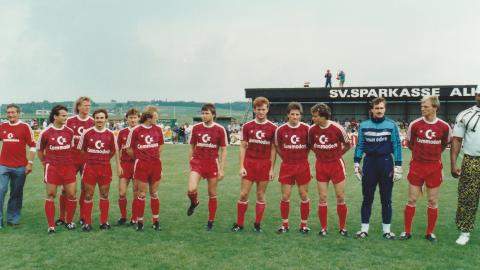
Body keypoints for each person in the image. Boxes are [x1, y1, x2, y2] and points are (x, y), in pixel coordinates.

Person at [399, 96, 451, 242]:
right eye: (421, 106)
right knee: (412, 199)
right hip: (417, 166)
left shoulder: (444, 126)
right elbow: (410, 144)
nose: (422, 108)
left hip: (434, 167)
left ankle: (430, 233)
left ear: (435, 107)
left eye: (425, 106)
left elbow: (444, 144)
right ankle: (407, 231)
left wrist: (432, 156)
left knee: (433, 201)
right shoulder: (414, 125)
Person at [353, 97, 402, 239]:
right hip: (369, 163)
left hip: (386, 162)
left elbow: (397, 146)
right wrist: (356, 163)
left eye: (381, 108)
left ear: (385, 109)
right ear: (372, 110)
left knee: (386, 199)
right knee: (367, 197)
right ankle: (364, 229)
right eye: (377, 108)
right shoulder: (364, 125)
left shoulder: (391, 125)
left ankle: (386, 231)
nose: (379, 111)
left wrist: (398, 166)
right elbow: (360, 145)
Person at [232, 97, 277, 232]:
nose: (261, 112)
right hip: (250, 163)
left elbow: (274, 149)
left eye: (263, 109)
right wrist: (241, 166)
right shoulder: (247, 126)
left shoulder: (273, 128)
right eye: (258, 109)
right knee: (243, 194)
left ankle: (257, 224)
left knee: (260, 195)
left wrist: (271, 169)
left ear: (267, 110)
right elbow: (242, 147)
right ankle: (239, 224)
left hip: (264, 164)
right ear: (254, 110)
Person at [309, 103, 351, 236]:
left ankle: (342, 228)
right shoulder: (312, 130)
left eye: (315, 116)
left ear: (324, 116)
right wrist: (320, 154)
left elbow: (347, 144)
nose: (313, 119)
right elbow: (310, 145)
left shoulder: (337, 128)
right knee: (322, 197)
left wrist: (337, 155)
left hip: (336, 165)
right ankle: (323, 228)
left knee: (340, 197)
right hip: (321, 165)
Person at [186, 103, 228, 231]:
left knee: (212, 193)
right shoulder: (196, 128)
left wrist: (221, 168)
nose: (204, 115)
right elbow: (192, 146)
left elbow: (223, 150)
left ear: (213, 115)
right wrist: (191, 161)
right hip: (198, 162)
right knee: (191, 189)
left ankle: (210, 221)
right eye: (202, 113)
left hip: (212, 163)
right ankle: (194, 202)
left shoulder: (220, 129)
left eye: (207, 113)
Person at [37, 105, 77, 234]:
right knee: (51, 195)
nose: (66, 118)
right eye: (63, 115)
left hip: (68, 166)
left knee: (71, 194)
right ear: (55, 116)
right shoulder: (45, 132)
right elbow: (40, 150)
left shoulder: (70, 132)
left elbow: (71, 148)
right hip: (52, 167)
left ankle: (69, 221)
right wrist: (44, 162)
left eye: (67, 115)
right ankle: (51, 225)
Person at [77, 109, 118, 232]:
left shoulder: (111, 134)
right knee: (88, 195)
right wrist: (92, 159)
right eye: (97, 118)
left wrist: (104, 159)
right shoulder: (87, 133)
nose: (99, 120)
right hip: (90, 168)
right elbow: (81, 150)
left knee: (104, 195)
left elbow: (112, 151)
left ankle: (104, 222)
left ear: (106, 119)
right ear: (94, 119)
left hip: (105, 168)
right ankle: (87, 222)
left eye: (102, 118)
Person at [125, 106, 164, 231]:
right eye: (155, 118)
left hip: (155, 164)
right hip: (142, 164)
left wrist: (155, 157)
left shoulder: (158, 129)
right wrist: (140, 158)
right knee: (141, 194)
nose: (157, 120)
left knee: (154, 193)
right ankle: (140, 222)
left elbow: (161, 145)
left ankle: (156, 221)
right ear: (148, 118)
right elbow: (129, 149)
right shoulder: (136, 130)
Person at [56, 96, 93, 226]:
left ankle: (82, 216)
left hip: (86, 161)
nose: (88, 108)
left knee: (85, 188)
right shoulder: (70, 121)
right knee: (66, 190)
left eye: (89, 105)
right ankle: (62, 217)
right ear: (78, 107)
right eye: (85, 105)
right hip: (70, 160)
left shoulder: (93, 122)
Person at [275, 102, 311, 234]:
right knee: (285, 196)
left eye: (297, 114)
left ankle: (304, 225)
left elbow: (310, 146)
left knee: (304, 195)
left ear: (300, 116)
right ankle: (285, 225)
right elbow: (277, 146)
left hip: (302, 165)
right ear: (288, 115)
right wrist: (285, 158)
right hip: (287, 166)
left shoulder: (307, 128)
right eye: (292, 114)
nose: (295, 117)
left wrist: (303, 157)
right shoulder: (281, 129)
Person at [450, 87, 480, 245]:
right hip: (471, 160)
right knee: (467, 197)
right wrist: (454, 164)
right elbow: (456, 140)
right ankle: (464, 232)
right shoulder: (464, 115)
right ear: (476, 96)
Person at [0, 104, 36, 228]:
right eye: (8, 112)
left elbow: (32, 145)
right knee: (1, 190)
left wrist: (30, 163)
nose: (10, 115)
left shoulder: (25, 127)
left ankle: (13, 219)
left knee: (16, 193)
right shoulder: (2, 126)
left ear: (19, 113)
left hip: (20, 167)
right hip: (3, 165)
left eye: (13, 112)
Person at [116, 108, 140, 226]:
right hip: (125, 164)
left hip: (137, 165)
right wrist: (118, 165)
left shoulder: (142, 131)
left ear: (139, 118)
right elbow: (118, 150)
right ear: (127, 119)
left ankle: (134, 218)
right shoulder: (122, 132)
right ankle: (123, 216)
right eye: (130, 117)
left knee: (136, 193)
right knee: (122, 193)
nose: (132, 119)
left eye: (135, 117)